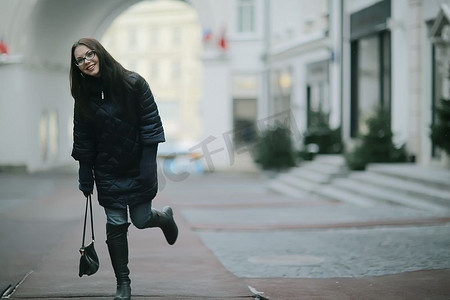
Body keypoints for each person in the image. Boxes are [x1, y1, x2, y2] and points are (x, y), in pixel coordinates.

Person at [70, 37, 178, 300]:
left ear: (100, 53)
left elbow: (151, 125)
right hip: (106, 171)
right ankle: (123, 284)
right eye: (80, 60)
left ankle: (163, 218)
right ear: (76, 66)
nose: (87, 62)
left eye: (90, 54)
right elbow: (83, 138)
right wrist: (85, 175)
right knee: (116, 223)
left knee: (141, 220)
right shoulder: (83, 96)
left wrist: (147, 166)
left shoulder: (134, 83)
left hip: (137, 165)